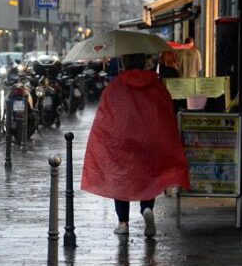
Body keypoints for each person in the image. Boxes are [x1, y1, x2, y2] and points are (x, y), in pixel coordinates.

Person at [81, 53, 190, 237]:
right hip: (149, 141)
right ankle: (147, 208)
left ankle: (123, 223)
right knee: (149, 175)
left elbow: (106, 115)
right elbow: (165, 110)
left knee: (120, 178)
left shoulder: (116, 86)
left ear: (124, 63)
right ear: (144, 62)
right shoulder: (156, 85)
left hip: (123, 142)